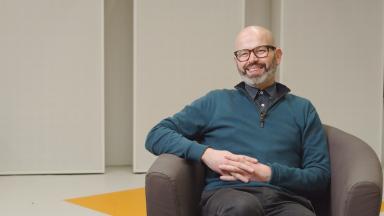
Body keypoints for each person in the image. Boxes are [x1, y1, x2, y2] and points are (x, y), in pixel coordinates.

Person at [145, 26, 330, 216]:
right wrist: (207, 154)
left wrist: (269, 173)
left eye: (260, 50)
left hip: (286, 199)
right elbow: (157, 134)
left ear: (278, 55)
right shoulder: (215, 101)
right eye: (243, 54)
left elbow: (319, 177)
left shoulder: (303, 109)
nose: (252, 59)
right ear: (236, 61)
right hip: (228, 195)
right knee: (242, 208)